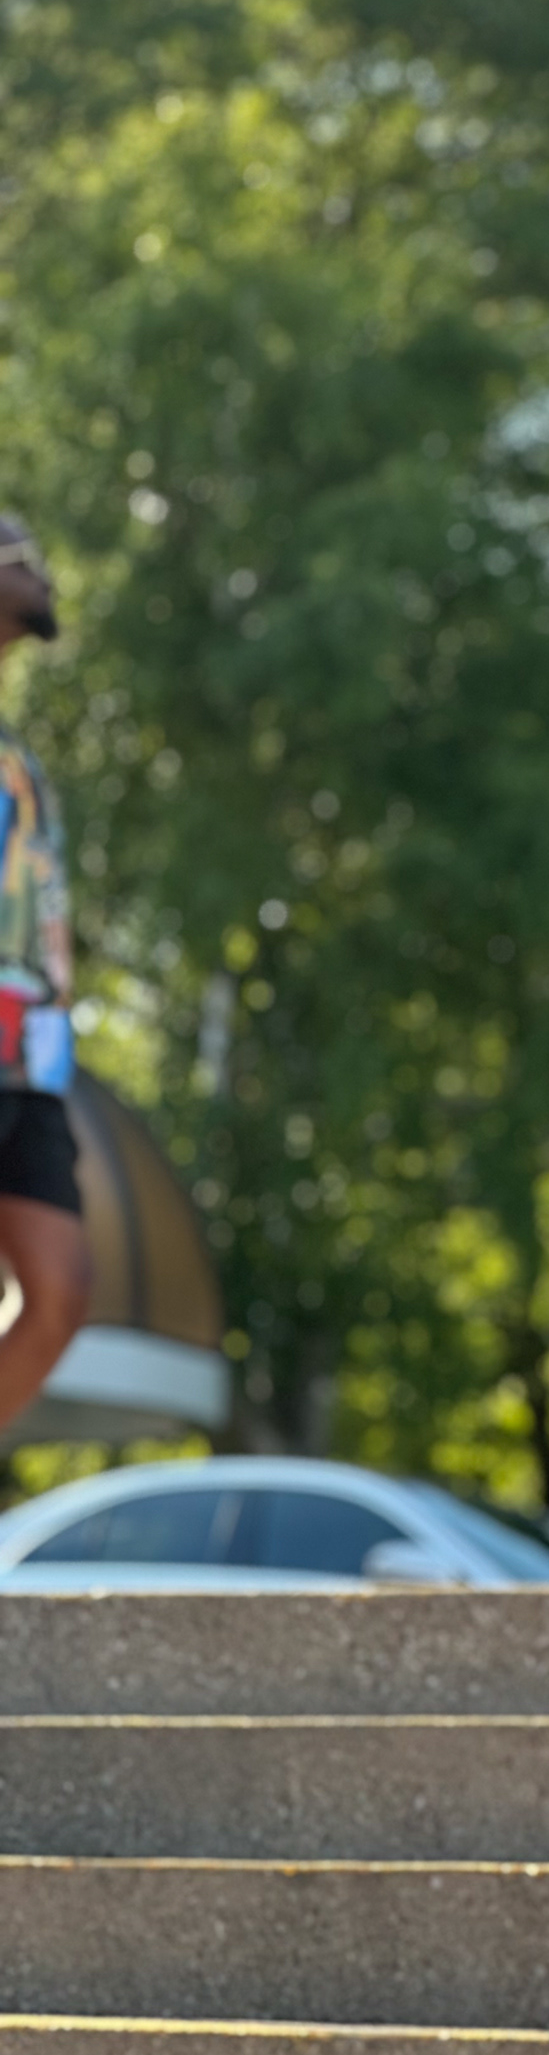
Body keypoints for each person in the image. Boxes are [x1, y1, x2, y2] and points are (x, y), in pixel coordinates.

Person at [0, 515, 89, 1434]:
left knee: (61, 1291)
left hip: (28, 1051)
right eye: (27, 560)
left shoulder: (15, 752)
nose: (47, 577)